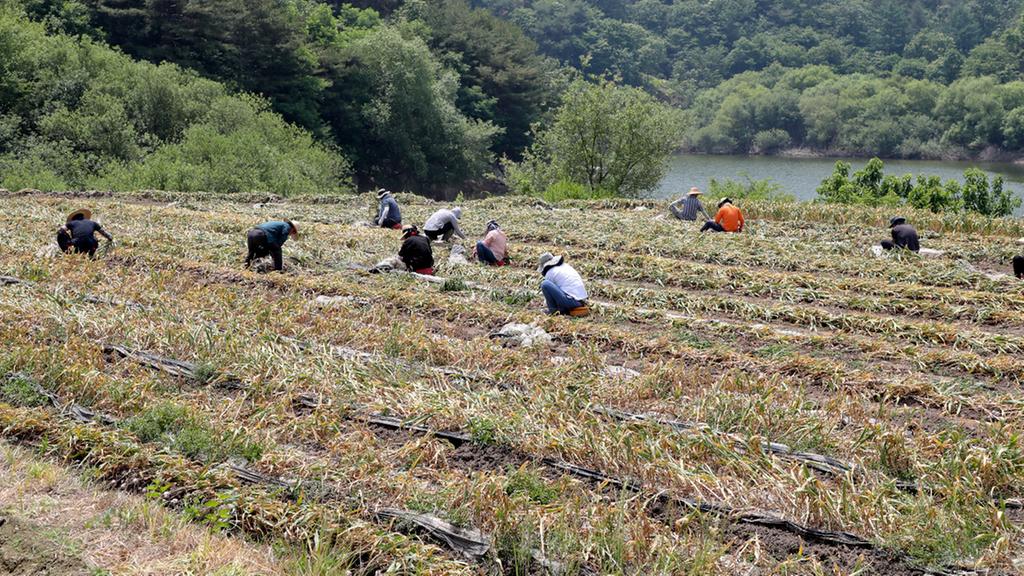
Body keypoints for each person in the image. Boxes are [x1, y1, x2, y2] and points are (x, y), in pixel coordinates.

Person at [537, 252, 589, 316]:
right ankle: (564, 310)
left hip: (571, 301)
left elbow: (548, 296)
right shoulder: (565, 266)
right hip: (581, 301)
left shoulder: (550, 272)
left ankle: (554, 312)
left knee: (545, 284)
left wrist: (546, 307)